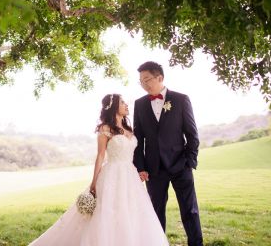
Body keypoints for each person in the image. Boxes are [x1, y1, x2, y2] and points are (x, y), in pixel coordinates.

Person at [29, 93, 168, 246]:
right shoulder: (105, 128)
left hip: (130, 175)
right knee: (108, 211)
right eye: (122, 102)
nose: (126, 105)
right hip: (112, 174)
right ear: (113, 106)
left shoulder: (129, 128)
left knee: (132, 211)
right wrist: (94, 182)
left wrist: (140, 169)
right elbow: (101, 155)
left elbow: (134, 154)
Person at [133, 61, 203, 246]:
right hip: (153, 170)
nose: (144, 84)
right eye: (140, 81)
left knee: (190, 211)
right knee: (155, 212)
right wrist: (141, 167)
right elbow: (138, 140)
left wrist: (189, 161)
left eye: (147, 79)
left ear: (160, 78)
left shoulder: (181, 99)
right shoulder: (139, 104)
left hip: (181, 166)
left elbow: (192, 135)